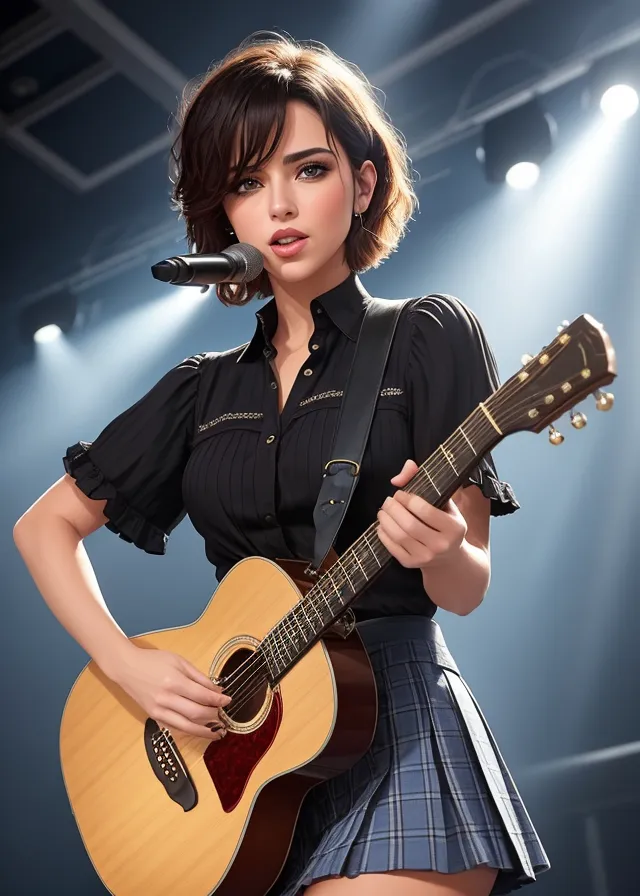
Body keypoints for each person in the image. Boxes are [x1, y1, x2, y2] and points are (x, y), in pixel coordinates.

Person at [13, 32, 549, 896]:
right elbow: (44, 527)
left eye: (307, 170)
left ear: (363, 182)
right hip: (241, 771)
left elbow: (466, 585)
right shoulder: (200, 390)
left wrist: (439, 544)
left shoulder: (426, 335)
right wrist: (128, 665)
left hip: (397, 723)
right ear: (223, 214)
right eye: (247, 183)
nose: (279, 207)